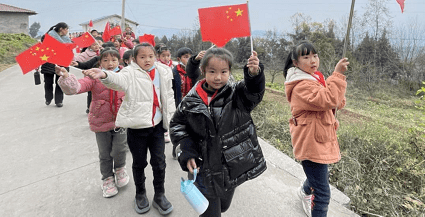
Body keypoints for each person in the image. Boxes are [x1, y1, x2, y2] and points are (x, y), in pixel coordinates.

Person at [170, 48, 267, 217]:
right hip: (203, 167)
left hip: (230, 167)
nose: (218, 77)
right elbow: (177, 124)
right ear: (203, 71)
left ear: (230, 72)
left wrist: (254, 75)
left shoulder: (237, 95)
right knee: (211, 212)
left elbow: (253, 94)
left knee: (223, 206)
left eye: (223, 72)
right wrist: (185, 147)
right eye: (212, 71)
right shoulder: (191, 100)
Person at [84, 43, 175, 215]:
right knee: (139, 163)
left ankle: (160, 195)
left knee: (159, 163)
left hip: (157, 127)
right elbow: (118, 81)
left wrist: (173, 119)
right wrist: (104, 74)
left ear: (155, 56)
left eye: (150, 56)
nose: (147, 60)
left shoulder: (164, 71)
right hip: (137, 127)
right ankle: (140, 194)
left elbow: (169, 96)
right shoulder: (129, 72)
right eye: (142, 57)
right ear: (134, 59)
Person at [283, 41, 349, 217]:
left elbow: (334, 102)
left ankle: (304, 191)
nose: (313, 60)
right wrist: (337, 76)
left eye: (315, 55)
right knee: (323, 193)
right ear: (295, 63)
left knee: (318, 177)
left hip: (319, 138)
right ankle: (308, 194)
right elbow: (327, 100)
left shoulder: (314, 78)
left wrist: (335, 89)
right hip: (311, 142)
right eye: (306, 57)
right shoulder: (301, 85)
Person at [56, 48, 129, 198]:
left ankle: (120, 169)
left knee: (120, 149)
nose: (110, 63)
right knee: (104, 154)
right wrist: (66, 77)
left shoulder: (125, 75)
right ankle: (107, 179)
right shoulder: (94, 77)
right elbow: (76, 88)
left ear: (119, 61)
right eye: (106, 60)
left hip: (121, 121)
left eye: (114, 60)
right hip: (101, 121)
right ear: (100, 62)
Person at [40, 22, 72, 107]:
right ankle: (48, 98)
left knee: (60, 83)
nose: (67, 31)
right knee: (48, 83)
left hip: (62, 63)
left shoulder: (66, 39)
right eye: (66, 29)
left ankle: (59, 101)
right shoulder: (47, 36)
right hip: (49, 63)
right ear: (61, 29)